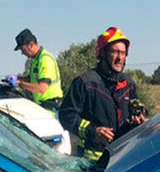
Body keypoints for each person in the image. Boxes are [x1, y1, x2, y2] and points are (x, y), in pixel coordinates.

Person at [59, 26, 146, 161]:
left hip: (122, 159)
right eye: (115, 52)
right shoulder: (85, 83)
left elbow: (133, 113)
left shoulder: (128, 84)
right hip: (91, 164)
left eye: (123, 53)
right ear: (103, 53)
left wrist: (137, 120)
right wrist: (93, 131)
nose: (120, 58)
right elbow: (66, 116)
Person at [12, 28, 64, 112]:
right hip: (44, 108)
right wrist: (17, 79)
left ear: (31, 45)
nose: (22, 53)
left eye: (23, 49)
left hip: (51, 109)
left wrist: (20, 83)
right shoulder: (35, 60)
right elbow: (32, 80)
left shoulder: (45, 60)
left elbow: (42, 88)